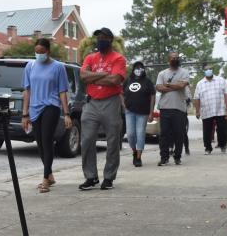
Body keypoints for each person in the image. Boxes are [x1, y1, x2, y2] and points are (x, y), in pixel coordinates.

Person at [21, 38, 72, 192]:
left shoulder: (58, 67)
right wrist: (25, 114)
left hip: (51, 106)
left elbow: (63, 91)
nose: (39, 55)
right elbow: (27, 91)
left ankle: (44, 179)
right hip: (35, 108)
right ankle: (50, 175)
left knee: (47, 140)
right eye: (37, 52)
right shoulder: (30, 66)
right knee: (40, 144)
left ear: (48, 51)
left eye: (42, 52)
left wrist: (67, 113)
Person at [78, 28, 126, 190]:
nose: (100, 40)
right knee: (87, 140)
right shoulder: (90, 57)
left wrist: (94, 77)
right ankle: (91, 177)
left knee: (113, 141)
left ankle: (109, 177)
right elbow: (83, 76)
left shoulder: (118, 58)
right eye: (98, 38)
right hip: (91, 103)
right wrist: (104, 76)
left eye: (104, 38)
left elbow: (115, 80)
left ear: (110, 40)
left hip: (111, 102)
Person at [155, 52, 190, 166]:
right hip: (165, 108)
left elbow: (182, 86)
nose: (175, 59)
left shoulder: (184, 72)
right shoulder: (162, 73)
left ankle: (177, 157)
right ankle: (164, 158)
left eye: (177, 57)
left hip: (179, 108)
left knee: (179, 134)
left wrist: (168, 85)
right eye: (173, 58)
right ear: (168, 60)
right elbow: (159, 87)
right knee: (164, 134)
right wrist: (175, 86)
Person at [122, 61, 156, 167]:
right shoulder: (128, 80)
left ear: (143, 70)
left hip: (143, 113)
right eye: (136, 68)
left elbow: (153, 96)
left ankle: (138, 157)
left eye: (140, 68)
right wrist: (124, 106)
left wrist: (151, 112)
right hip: (129, 112)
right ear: (133, 70)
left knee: (140, 133)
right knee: (131, 134)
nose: (138, 70)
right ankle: (134, 151)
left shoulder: (147, 82)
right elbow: (120, 93)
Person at [193, 68, 227, 154]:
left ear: (212, 70)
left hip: (220, 109)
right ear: (204, 71)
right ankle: (208, 148)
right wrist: (197, 111)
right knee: (207, 131)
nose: (208, 70)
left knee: (222, 129)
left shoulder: (221, 80)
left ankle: (223, 145)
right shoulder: (200, 83)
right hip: (206, 110)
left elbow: (226, 93)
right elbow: (196, 98)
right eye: (206, 69)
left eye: (209, 69)